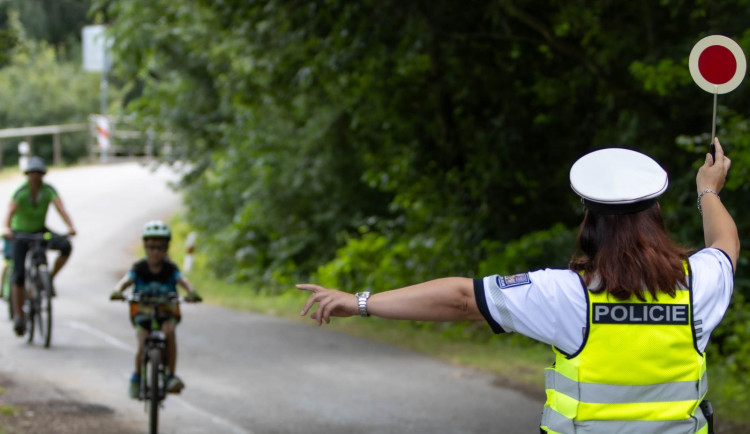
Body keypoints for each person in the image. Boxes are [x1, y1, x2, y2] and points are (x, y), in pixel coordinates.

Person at [297, 138, 738, 434]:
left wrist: (360, 302)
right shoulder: (699, 284)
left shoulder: (565, 294)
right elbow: (725, 243)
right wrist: (708, 190)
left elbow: (462, 299)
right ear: (655, 216)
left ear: (589, 220)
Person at [110, 220, 202, 399]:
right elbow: (126, 280)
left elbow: (182, 280)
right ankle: (136, 378)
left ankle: (170, 376)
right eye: (151, 247)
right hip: (142, 312)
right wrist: (118, 290)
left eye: (160, 247)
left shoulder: (170, 268)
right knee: (142, 341)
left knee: (169, 332)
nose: (155, 251)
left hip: (166, 311)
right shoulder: (139, 267)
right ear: (145, 247)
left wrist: (191, 292)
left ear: (166, 248)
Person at [2, 156, 76, 336]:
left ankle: (47, 279)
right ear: (27, 175)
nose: (35, 176)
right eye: (32, 173)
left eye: (38, 173)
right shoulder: (21, 192)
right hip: (20, 234)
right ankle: (19, 317)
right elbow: (10, 213)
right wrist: (6, 228)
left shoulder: (48, 190)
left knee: (65, 246)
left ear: (43, 175)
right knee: (18, 274)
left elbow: (60, 208)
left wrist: (70, 226)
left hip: (40, 231)